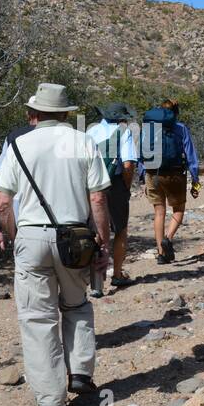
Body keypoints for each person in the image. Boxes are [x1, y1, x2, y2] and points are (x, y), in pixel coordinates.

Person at [0, 83, 113, 406]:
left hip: (30, 237)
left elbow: (3, 200)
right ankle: (80, 373)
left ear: (35, 113)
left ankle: (51, 402)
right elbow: (98, 199)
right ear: (65, 114)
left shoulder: (18, 143)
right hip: (75, 239)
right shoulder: (83, 141)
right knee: (77, 305)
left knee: (37, 319)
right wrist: (103, 243)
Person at [85, 101, 140, 296]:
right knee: (120, 230)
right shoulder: (123, 132)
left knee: (95, 231)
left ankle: (95, 282)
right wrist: (126, 186)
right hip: (113, 184)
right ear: (122, 118)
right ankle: (116, 274)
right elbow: (127, 165)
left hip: (91, 185)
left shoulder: (90, 132)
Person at [139, 98, 200, 264]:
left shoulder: (149, 128)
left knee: (159, 213)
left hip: (153, 174)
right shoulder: (181, 128)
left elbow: (141, 154)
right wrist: (196, 180)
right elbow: (191, 156)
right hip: (175, 174)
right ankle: (168, 238)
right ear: (176, 112)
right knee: (178, 210)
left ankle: (161, 253)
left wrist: (142, 177)